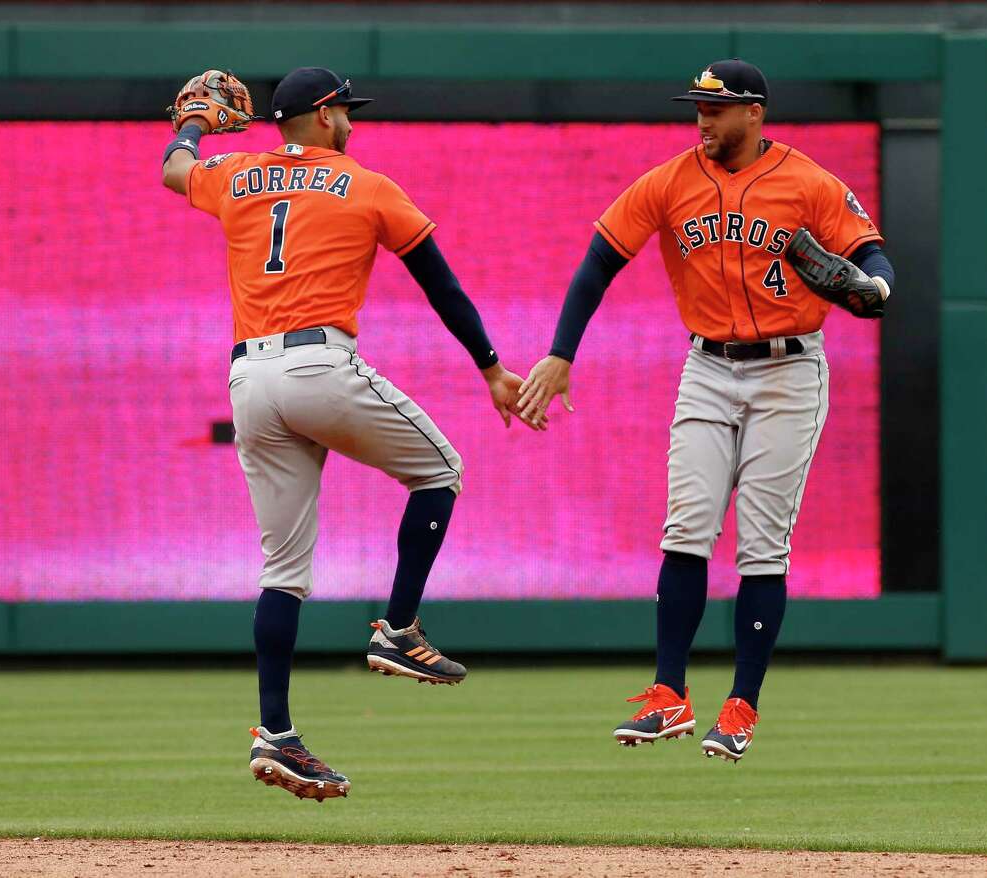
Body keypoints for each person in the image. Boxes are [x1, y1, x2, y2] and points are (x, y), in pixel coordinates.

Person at [161, 67, 534, 800]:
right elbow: (440, 282)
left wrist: (196, 124)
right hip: (318, 366)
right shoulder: (365, 183)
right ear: (325, 116)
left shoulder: (234, 174)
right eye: (347, 111)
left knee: (282, 571)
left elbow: (175, 169)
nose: (352, 122)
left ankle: (276, 733)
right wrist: (491, 367)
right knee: (441, 471)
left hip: (249, 382)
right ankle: (397, 629)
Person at [517, 59, 894, 763]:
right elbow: (598, 260)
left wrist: (873, 286)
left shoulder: (808, 181)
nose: (701, 118)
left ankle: (742, 705)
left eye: (715, 109)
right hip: (708, 368)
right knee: (686, 526)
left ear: (754, 113)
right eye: (697, 106)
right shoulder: (670, 181)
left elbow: (870, 255)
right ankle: (669, 695)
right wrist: (561, 351)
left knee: (761, 544)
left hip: (789, 370)